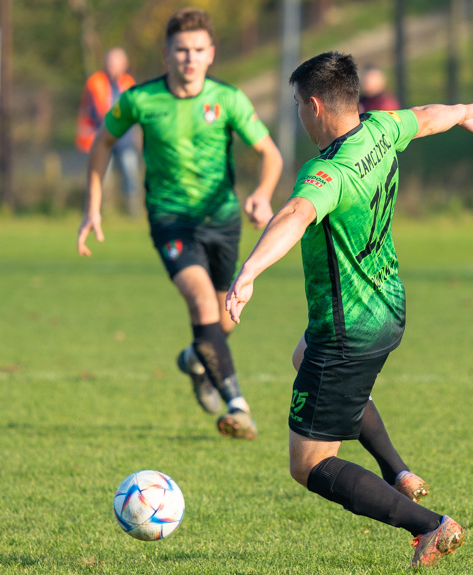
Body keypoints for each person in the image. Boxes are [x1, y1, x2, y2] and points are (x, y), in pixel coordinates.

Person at [225, 52, 473, 566]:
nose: (298, 116)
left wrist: (248, 272)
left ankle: (431, 526)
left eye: (296, 106)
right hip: (388, 307)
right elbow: (425, 117)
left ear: (314, 105)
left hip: (347, 330)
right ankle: (397, 470)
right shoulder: (379, 127)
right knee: (299, 356)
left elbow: (293, 214)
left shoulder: (328, 171)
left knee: (310, 464)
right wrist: (468, 110)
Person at [77, 9, 283, 440]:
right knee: (200, 303)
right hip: (171, 221)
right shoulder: (141, 100)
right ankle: (237, 404)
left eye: (198, 50)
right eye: (181, 50)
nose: (189, 58)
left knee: (225, 315)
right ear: (166, 54)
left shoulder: (228, 99)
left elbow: (271, 154)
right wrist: (93, 205)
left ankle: (195, 357)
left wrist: (262, 194)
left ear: (211, 55)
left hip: (223, 220)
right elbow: (103, 142)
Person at [76, 47, 142, 216]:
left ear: (124, 64)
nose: (112, 65)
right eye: (110, 61)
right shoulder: (95, 82)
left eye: (116, 61)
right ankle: (103, 213)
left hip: (125, 140)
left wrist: (136, 136)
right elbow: (93, 112)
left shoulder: (129, 83)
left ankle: (132, 214)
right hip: (102, 138)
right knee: (101, 179)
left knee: (130, 177)